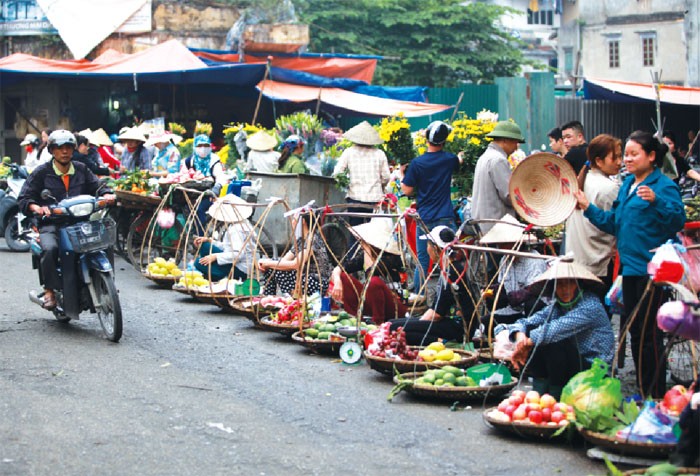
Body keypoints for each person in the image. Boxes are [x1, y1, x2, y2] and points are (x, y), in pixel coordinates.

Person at [575, 130, 686, 398]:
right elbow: (613, 223)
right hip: (629, 270)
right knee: (635, 332)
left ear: (651, 156)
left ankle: (655, 394)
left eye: (634, 154)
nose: (627, 159)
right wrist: (588, 206)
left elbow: (678, 221)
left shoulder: (663, 186)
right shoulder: (627, 185)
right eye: (626, 154)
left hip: (652, 271)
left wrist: (657, 201)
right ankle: (644, 390)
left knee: (649, 335)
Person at [17, 130, 115, 309]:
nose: (64, 152)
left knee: (104, 242)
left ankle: (107, 284)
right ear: (52, 150)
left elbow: (98, 185)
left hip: (81, 221)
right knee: (50, 248)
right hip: (51, 223)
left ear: (73, 149)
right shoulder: (42, 173)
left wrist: (107, 194)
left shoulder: (81, 168)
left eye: (68, 147)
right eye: (59, 148)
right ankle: (49, 290)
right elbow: (24, 197)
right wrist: (36, 207)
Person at [494, 258, 615, 399]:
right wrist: (520, 336)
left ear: (579, 285)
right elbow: (525, 322)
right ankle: (540, 394)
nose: (564, 289)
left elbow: (552, 330)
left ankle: (554, 397)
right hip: (571, 363)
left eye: (569, 283)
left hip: (594, 369)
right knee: (534, 333)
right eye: (560, 285)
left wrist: (526, 343)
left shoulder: (590, 306)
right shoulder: (557, 307)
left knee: (551, 341)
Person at [389, 226, 475, 346]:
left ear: (435, 248)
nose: (427, 248)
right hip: (446, 321)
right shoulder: (447, 268)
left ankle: (443, 342)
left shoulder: (452, 272)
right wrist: (415, 323)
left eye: (428, 245)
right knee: (393, 324)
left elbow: (436, 314)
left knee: (397, 329)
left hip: (459, 326)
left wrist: (417, 325)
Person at [401, 121, 460, 295]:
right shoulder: (450, 159)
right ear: (444, 141)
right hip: (445, 216)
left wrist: (402, 174)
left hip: (425, 218)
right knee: (450, 256)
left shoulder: (417, 163)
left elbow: (406, 189)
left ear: (426, 139)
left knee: (423, 261)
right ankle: (453, 294)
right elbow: (459, 164)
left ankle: (420, 297)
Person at [565, 134, 622, 301]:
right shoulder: (608, 188)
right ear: (599, 161)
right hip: (599, 262)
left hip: (578, 259)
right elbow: (614, 224)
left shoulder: (583, 179)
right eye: (615, 157)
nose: (620, 162)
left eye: (620, 156)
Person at [329, 217, 407, 324]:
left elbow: (372, 272)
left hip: (393, 307)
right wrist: (337, 281)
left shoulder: (392, 258)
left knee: (374, 282)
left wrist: (368, 250)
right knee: (343, 277)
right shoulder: (365, 256)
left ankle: (378, 324)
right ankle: (354, 319)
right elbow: (339, 268)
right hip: (373, 304)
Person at [479, 214, 548, 328]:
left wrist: (513, 297)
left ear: (515, 242)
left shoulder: (533, 260)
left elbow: (535, 289)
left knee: (532, 304)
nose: (501, 247)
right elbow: (503, 285)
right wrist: (492, 291)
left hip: (535, 310)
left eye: (504, 244)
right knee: (486, 322)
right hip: (515, 310)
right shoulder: (504, 261)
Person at [258, 212, 332, 296]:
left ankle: (288, 296)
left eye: (294, 219)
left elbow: (295, 264)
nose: (292, 222)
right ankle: (269, 298)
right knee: (274, 266)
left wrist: (268, 263)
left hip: (316, 283)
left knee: (274, 266)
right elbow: (284, 261)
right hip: (305, 278)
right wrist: (266, 263)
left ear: (303, 221)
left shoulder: (312, 239)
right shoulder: (301, 240)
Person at [470, 120, 525, 234]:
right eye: (515, 142)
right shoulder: (498, 160)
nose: (516, 147)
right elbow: (509, 195)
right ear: (505, 140)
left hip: (484, 223)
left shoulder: (485, 157)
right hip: (497, 225)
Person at [333, 121, 390, 226]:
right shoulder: (379, 154)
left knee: (355, 232)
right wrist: (380, 184)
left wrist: (348, 183)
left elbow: (337, 174)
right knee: (373, 233)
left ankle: (354, 242)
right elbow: (386, 177)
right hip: (375, 200)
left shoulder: (349, 152)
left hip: (354, 199)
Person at [193, 195, 257, 282]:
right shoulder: (240, 223)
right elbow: (228, 246)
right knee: (205, 245)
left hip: (239, 268)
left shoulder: (236, 229)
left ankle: (221, 275)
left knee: (198, 263)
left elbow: (238, 254)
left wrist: (215, 256)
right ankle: (214, 269)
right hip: (235, 261)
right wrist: (210, 240)